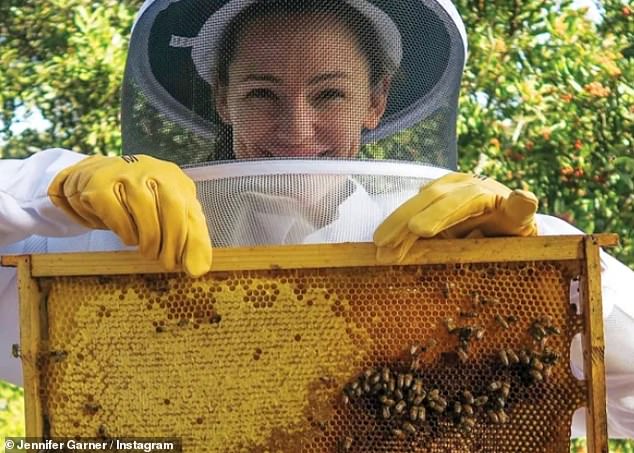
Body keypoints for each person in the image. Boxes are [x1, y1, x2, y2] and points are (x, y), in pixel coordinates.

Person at [0, 0, 632, 438]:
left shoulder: (449, 237)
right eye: (261, 94)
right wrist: (48, 187)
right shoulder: (126, 231)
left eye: (329, 94)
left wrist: (540, 268)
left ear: (376, 102)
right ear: (222, 100)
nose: (297, 131)